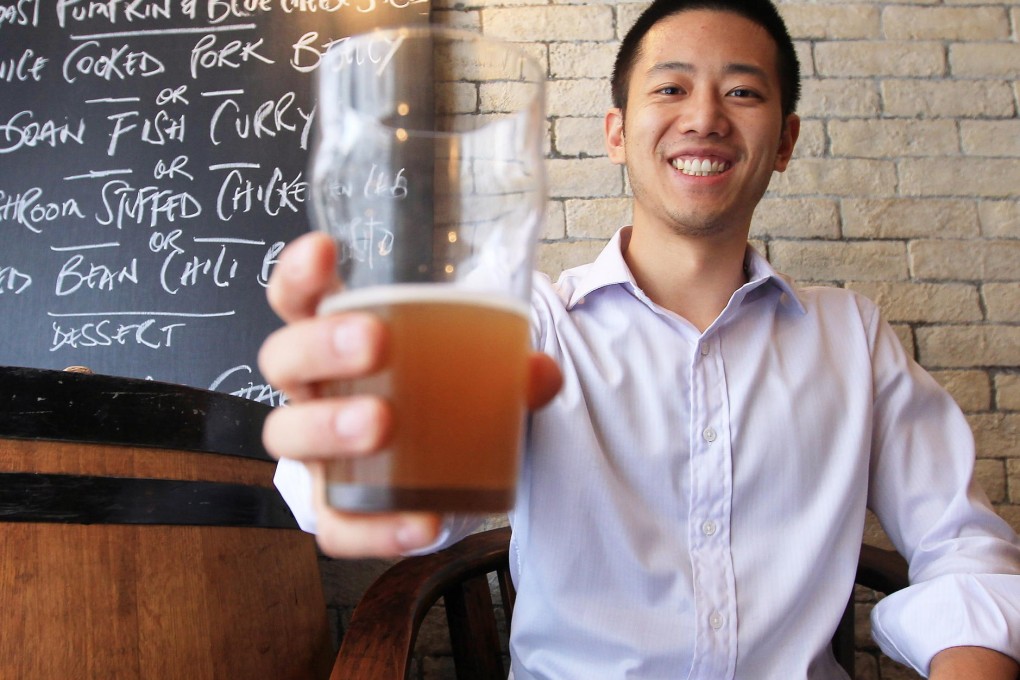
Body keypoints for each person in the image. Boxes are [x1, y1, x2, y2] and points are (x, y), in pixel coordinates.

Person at [260, 0, 1020, 677]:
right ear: (618, 134)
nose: (705, 117)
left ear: (784, 142)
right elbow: (405, 500)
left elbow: (967, 548)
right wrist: (358, 433)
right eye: (671, 87)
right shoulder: (529, 326)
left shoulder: (852, 336)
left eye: (743, 92)